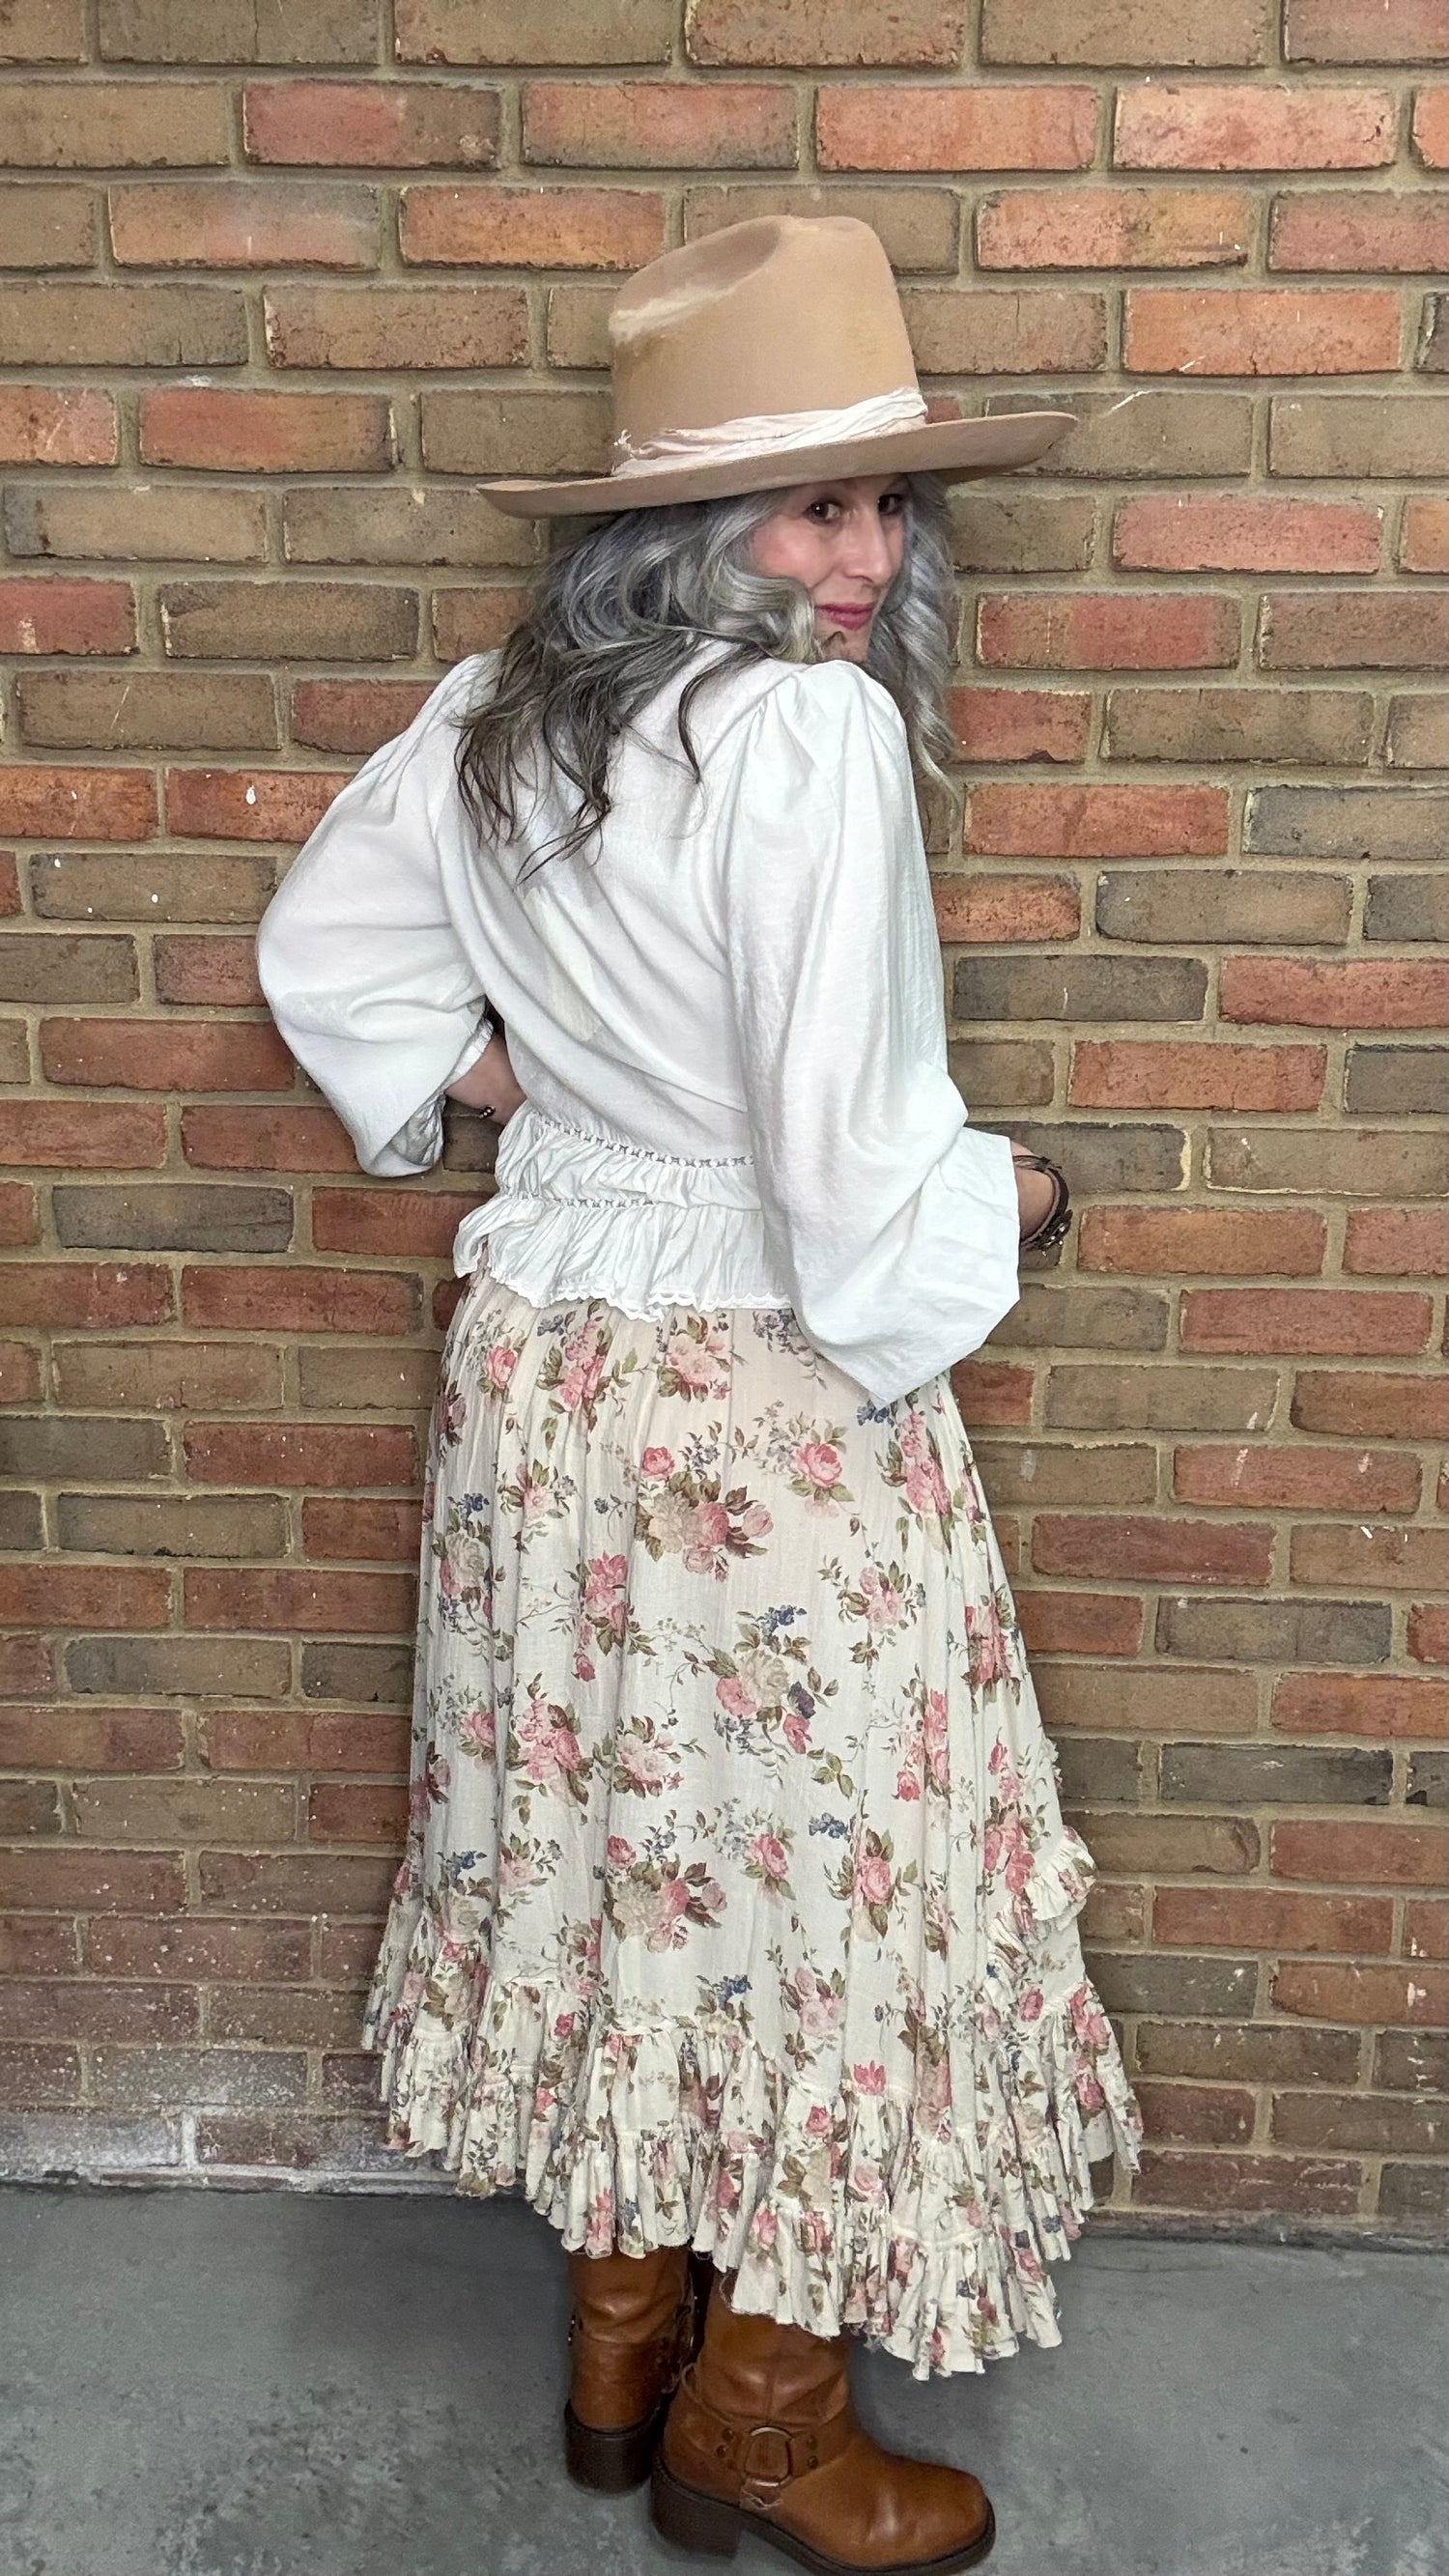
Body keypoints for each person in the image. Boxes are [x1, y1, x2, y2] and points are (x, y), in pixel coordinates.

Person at [256, 214, 1142, 2575]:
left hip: (548, 1372)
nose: (861, 561)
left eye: (882, 507)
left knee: (613, 1845)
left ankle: (621, 2354)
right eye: (812, 506)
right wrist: (1016, 1198)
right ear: (683, 525)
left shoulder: (493, 717)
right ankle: (762, 2423)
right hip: (762, 1382)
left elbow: (328, 958)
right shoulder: (804, 736)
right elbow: (856, 1180)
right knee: (828, 1873)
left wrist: (537, 1093)